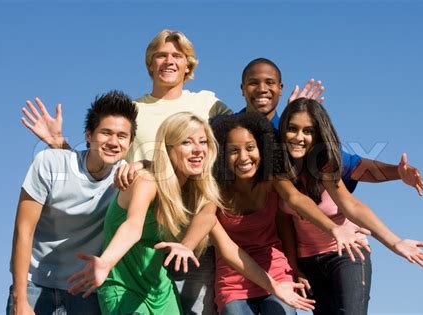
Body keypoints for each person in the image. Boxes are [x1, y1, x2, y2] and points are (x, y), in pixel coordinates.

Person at [66, 112, 317, 315]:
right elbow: (133, 226)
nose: (198, 150)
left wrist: (274, 287)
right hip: (123, 286)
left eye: (203, 142)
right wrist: (107, 261)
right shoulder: (147, 180)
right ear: (169, 147)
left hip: (159, 289)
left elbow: (229, 249)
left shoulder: (200, 191)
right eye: (187, 142)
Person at [277, 98, 423, 315]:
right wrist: (294, 266)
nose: (299, 137)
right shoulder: (276, 168)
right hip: (308, 261)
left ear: (318, 135)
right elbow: (290, 210)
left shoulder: (324, 162)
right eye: (292, 129)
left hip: (346, 253)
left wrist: (395, 242)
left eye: (308, 131)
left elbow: (351, 205)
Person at [209, 112, 373, 314]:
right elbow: (227, 249)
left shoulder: (272, 182)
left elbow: (294, 204)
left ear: (262, 149)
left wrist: (333, 230)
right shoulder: (214, 192)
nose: (243, 157)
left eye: (250, 148)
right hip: (233, 281)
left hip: (277, 272)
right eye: (233, 150)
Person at [7, 90, 138, 315]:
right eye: (106, 133)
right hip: (35, 284)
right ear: (89, 135)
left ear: (131, 142)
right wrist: (20, 299)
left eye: (122, 135)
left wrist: (142, 164)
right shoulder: (49, 163)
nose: (114, 142)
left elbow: (164, 170)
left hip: (85, 290)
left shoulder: (125, 178)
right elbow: (23, 230)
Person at [239, 57, 423, 195]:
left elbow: (353, 166)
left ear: (280, 88)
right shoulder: (226, 130)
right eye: (253, 83)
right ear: (242, 89)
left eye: (269, 83)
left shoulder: (293, 135)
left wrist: (398, 172)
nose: (262, 89)